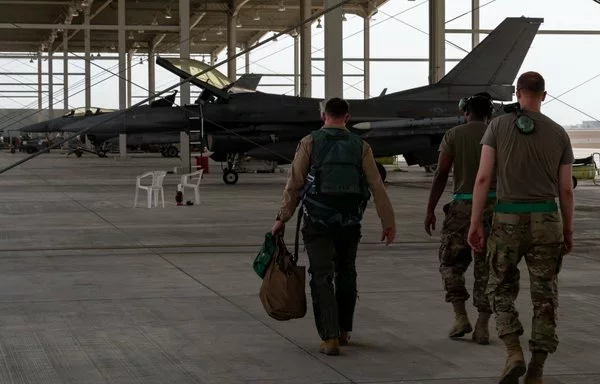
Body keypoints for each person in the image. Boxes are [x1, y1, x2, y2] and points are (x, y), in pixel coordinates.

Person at [467, 71, 574, 384]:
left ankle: (513, 351)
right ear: (544, 95)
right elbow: (566, 189)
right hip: (547, 221)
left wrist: (475, 221)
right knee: (545, 296)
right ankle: (537, 370)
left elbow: (484, 178)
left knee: (499, 288)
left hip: (508, 219)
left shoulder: (497, 126)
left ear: (517, 92)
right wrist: (567, 230)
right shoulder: (558, 133)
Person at [271, 97, 396, 356]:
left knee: (321, 275)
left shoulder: (310, 142)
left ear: (323, 116)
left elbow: (294, 183)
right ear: (347, 118)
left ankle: (329, 338)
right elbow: (376, 185)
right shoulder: (361, 146)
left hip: (317, 220)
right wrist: (388, 221)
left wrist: (282, 217)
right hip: (350, 221)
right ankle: (343, 330)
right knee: (346, 273)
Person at [424, 92, 496, 345]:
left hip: (462, 207)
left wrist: (430, 208)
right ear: (490, 114)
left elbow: (441, 173)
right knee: (487, 268)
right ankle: (483, 325)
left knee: (450, 264)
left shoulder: (454, 135)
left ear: (466, 112)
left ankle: (460, 316)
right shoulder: (499, 135)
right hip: (494, 209)